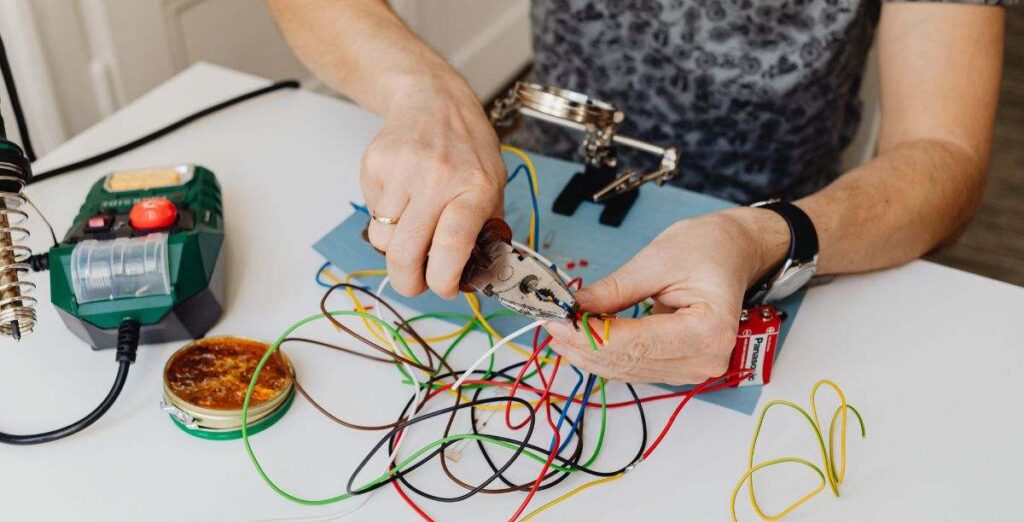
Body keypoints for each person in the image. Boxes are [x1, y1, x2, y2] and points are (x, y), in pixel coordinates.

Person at [269, 0, 1009, 385]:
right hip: (549, 191)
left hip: (794, 228)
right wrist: (427, 96)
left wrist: (760, 237)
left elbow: (945, 155)